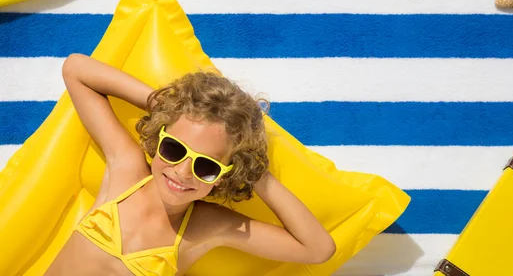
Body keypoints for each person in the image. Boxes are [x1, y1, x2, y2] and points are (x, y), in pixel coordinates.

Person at [45, 53, 336, 275]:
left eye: (206, 167)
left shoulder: (206, 226)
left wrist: (252, 170)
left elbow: (318, 248)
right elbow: (76, 68)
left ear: (223, 175)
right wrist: (168, 108)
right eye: (174, 149)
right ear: (160, 137)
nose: (182, 173)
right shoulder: (127, 171)